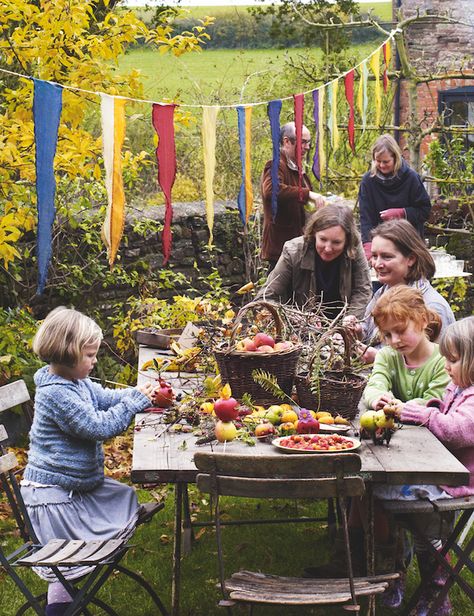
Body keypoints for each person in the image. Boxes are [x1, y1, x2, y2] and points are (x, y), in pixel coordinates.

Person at [21, 307, 156, 616]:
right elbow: (97, 427)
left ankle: (67, 590)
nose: (95, 361)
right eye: (90, 355)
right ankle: (60, 604)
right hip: (52, 499)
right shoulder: (57, 394)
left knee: (125, 495)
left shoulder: (75, 382)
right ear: (68, 355)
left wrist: (135, 393)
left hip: (73, 487)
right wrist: (134, 403)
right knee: (67, 561)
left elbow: (106, 398)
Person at [369, 311, 474, 616]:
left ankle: (436, 590)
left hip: (458, 482)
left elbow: (457, 430)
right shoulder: (460, 388)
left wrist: (423, 415)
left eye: (452, 361)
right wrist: (429, 405)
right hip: (442, 474)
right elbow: (444, 407)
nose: (446, 366)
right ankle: (397, 571)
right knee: (380, 491)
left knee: (419, 524)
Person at [345, 219, 455, 363]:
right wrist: (357, 331)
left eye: (387, 256)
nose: (377, 264)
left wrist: (379, 358)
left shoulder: (431, 306)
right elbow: (372, 335)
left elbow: (437, 364)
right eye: (374, 256)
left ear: (410, 259)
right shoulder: (383, 292)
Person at [255, 203, 372, 320]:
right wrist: (295, 317)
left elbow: (363, 290)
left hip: (341, 328)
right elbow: (265, 298)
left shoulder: (354, 249)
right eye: (323, 239)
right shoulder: (294, 251)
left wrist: (349, 321)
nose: (328, 248)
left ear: (347, 241)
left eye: (336, 242)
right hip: (300, 329)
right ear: (314, 233)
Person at [261, 121, 326, 270]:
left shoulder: (297, 167)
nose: (307, 147)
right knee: (276, 292)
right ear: (286, 142)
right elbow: (271, 191)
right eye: (303, 142)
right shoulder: (275, 164)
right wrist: (308, 193)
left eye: (308, 143)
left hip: (298, 246)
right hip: (280, 248)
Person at [358, 133, 431, 261]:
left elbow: (424, 210)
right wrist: (368, 244)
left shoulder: (411, 178)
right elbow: (365, 217)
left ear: (396, 158)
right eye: (377, 161)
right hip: (380, 245)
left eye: (386, 161)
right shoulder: (368, 181)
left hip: (408, 245)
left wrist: (402, 213)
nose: (381, 165)